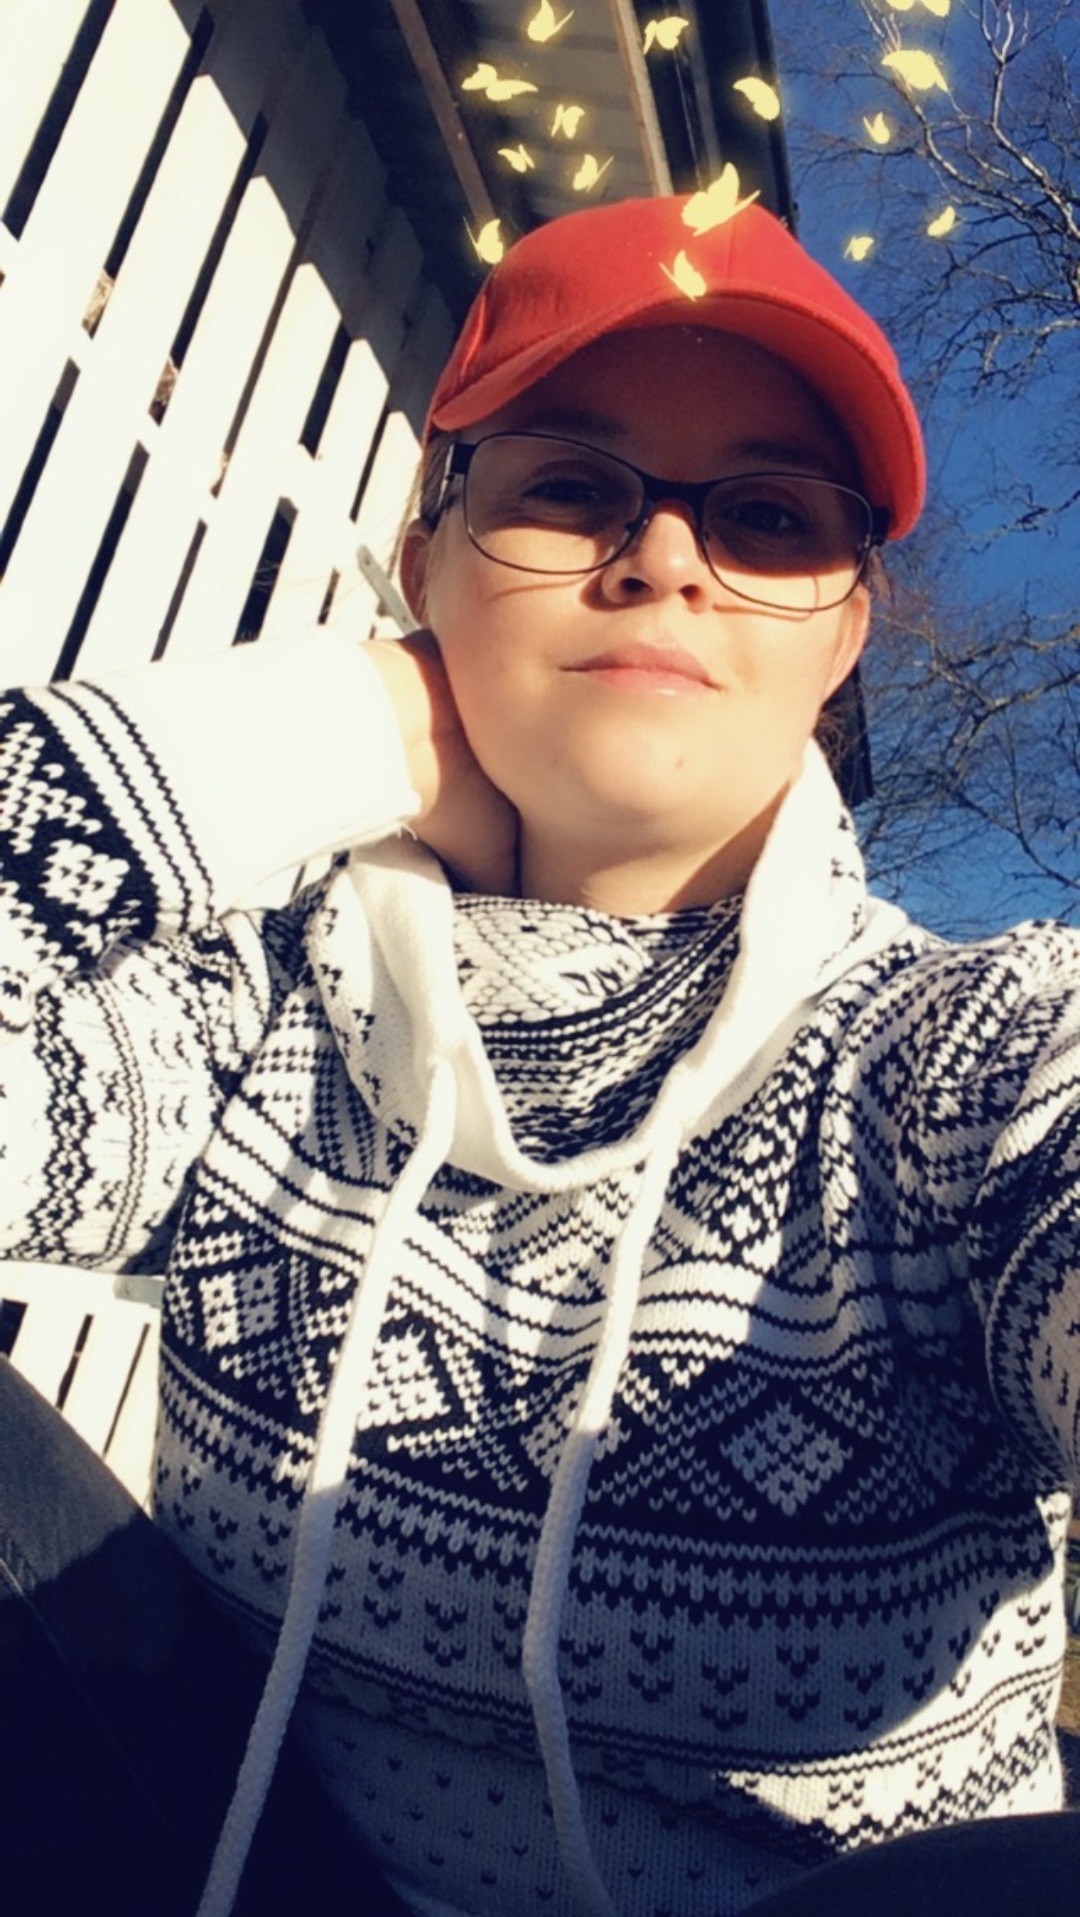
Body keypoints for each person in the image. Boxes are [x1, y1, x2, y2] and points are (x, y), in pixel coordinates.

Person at [0, 192, 1078, 1917]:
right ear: (425, 556)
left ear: (844, 635)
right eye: (573, 485)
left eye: (769, 517)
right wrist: (339, 722)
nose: (665, 558)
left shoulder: (948, 1060)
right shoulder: (257, 1014)